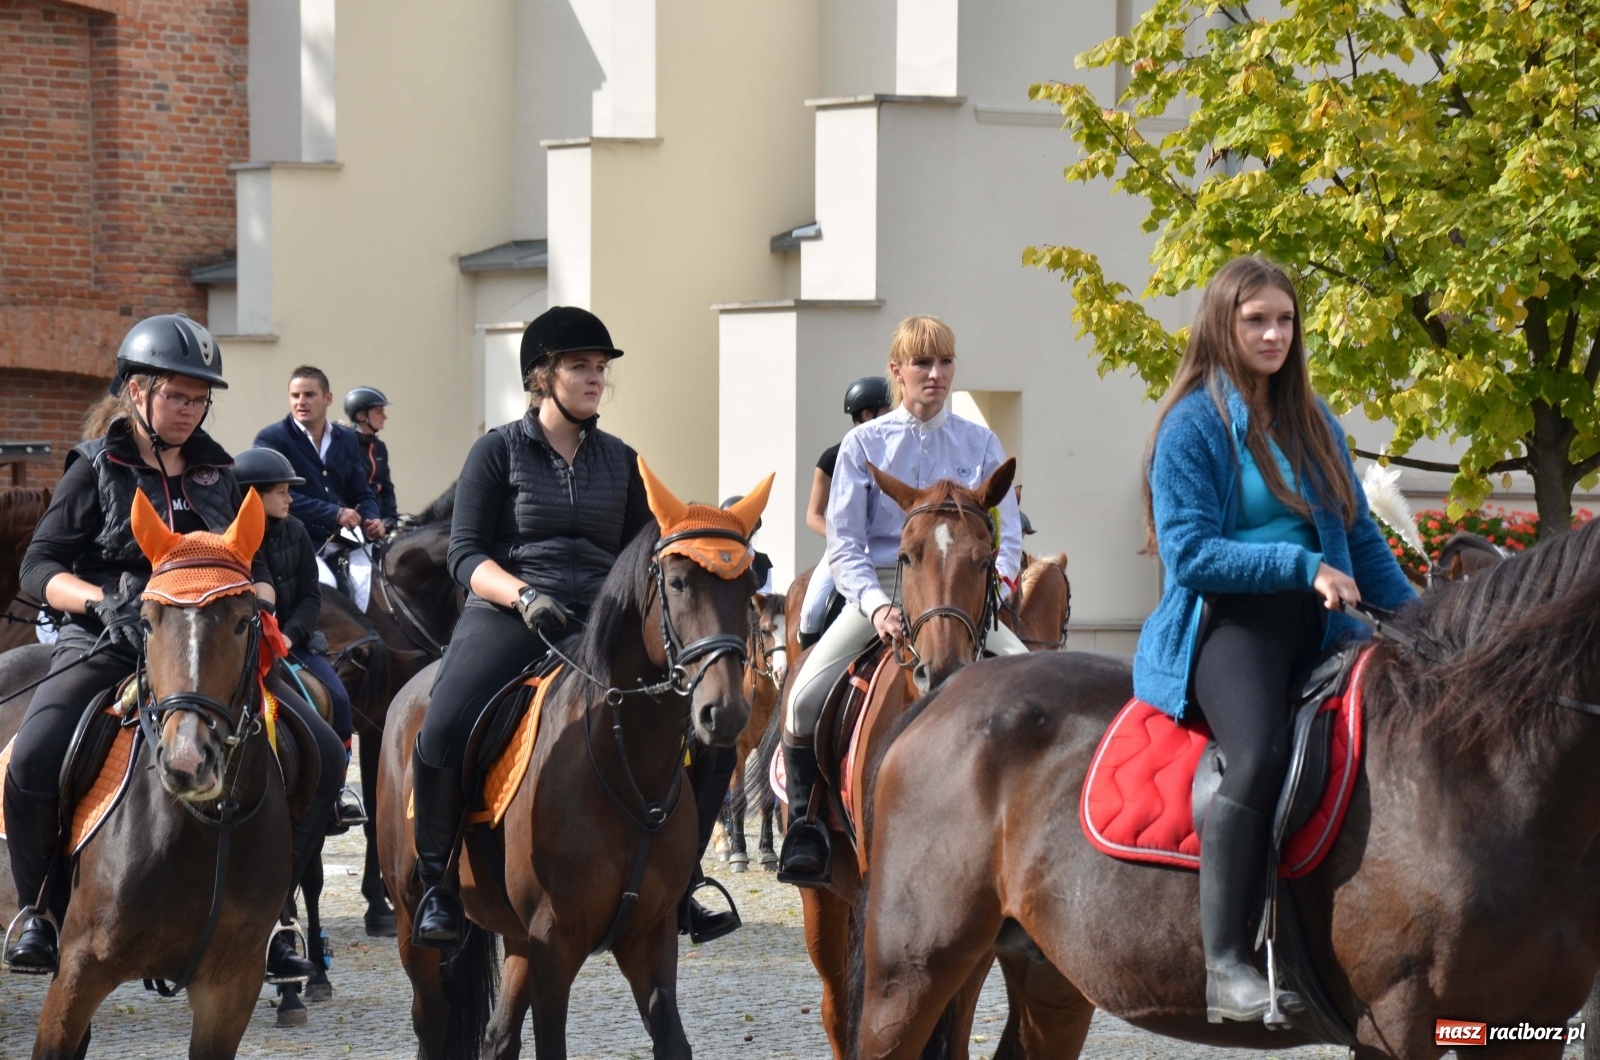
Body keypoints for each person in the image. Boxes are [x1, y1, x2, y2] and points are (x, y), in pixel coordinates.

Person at [5, 315, 345, 982]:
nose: (189, 411)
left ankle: (273, 916)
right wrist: (101, 602)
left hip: (206, 647)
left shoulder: (222, 474)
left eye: (199, 399)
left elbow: (252, 560)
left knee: (326, 755)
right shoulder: (96, 467)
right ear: (137, 392)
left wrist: (259, 595)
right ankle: (39, 910)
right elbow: (38, 569)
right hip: (108, 635)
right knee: (34, 756)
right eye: (176, 396)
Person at [1133, 256, 1415, 1023]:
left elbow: (1361, 541)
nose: (1272, 333)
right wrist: (1299, 564)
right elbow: (1189, 553)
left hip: (1324, 623)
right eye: (1255, 319)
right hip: (1229, 624)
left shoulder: (1315, 420)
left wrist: (1427, 625)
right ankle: (1225, 964)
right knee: (1257, 753)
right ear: (1222, 326)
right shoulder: (1190, 424)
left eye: (1284, 320)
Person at [410, 305, 658, 948]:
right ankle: (435, 882)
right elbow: (463, 553)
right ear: (543, 376)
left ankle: (679, 885)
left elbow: (644, 552)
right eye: (580, 366)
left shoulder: (623, 461)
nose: (595, 378)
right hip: (510, 613)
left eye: (600, 368)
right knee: (441, 724)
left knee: (691, 716)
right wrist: (522, 596)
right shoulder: (495, 452)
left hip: (601, 624)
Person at [778, 316, 1027, 885]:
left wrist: (1000, 587)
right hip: (886, 583)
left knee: (1031, 679)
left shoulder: (980, 441)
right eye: (923, 364)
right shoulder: (863, 444)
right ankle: (806, 827)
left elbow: (1007, 534)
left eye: (944, 362)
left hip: (961, 590)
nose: (935, 374)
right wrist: (875, 605)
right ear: (898, 372)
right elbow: (843, 541)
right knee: (802, 699)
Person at [234, 446, 367, 831]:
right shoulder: (233, 537)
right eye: (282, 491)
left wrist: (291, 636)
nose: (290, 499)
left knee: (339, 702)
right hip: (247, 647)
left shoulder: (296, 531)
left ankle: (336, 795)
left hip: (297, 642)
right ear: (253, 495)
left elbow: (312, 595)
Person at [796, 376, 893, 649]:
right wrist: (843, 539)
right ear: (866, 413)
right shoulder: (832, 457)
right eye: (888, 409)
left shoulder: (895, 452)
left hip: (889, 550)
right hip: (846, 549)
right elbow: (813, 515)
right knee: (811, 612)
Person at [254, 367, 382, 547]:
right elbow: (273, 496)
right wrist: (334, 513)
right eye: (295, 396)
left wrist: (372, 519)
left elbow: (361, 493)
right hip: (292, 544)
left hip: (345, 541)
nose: (301, 402)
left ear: (328, 398)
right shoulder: (272, 438)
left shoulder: (347, 439)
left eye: (309, 395)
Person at [344, 386, 399, 532]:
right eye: (379, 412)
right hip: (356, 523)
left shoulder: (379, 446)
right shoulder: (346, 444)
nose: (384, 417)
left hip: (380, 521)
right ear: (361, 416)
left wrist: (391, 517)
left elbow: (386, 487)